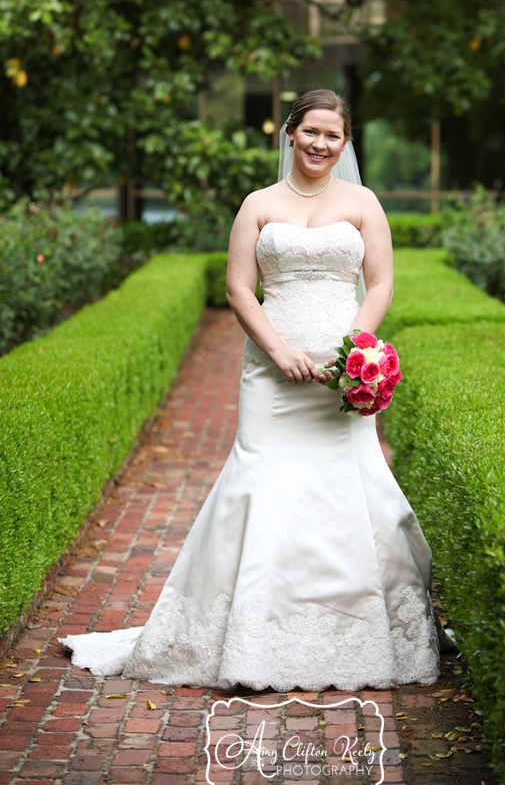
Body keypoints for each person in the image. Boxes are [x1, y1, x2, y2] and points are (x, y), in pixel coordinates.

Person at [59, 89, 442, 690]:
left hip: (342, 374)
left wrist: (355, 353)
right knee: (260, 478)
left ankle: (351, 632)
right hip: (271, 373)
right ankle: (251, 635)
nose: (321, 144)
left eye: (333, 136)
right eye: (310, 132)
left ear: (345, 144)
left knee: (349, 482)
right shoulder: (258, 204)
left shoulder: (364, 202)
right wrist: (279, 351)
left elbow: (381, 282)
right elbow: (240, 288)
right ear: (290, 133)